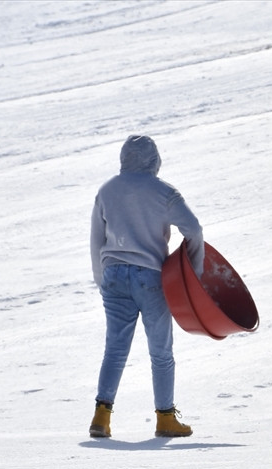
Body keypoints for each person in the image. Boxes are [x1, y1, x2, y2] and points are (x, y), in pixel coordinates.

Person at [88, 135, 204, 439]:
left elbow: (96, 240)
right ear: (155, 159)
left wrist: (101, 278)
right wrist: (194, 272)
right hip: (151, 277)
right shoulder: (164, 192)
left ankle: (101, 416)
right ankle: (165, 418)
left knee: (115, 349)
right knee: (160, 351)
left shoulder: (107, 190)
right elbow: (194, 229)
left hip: (114, 276)